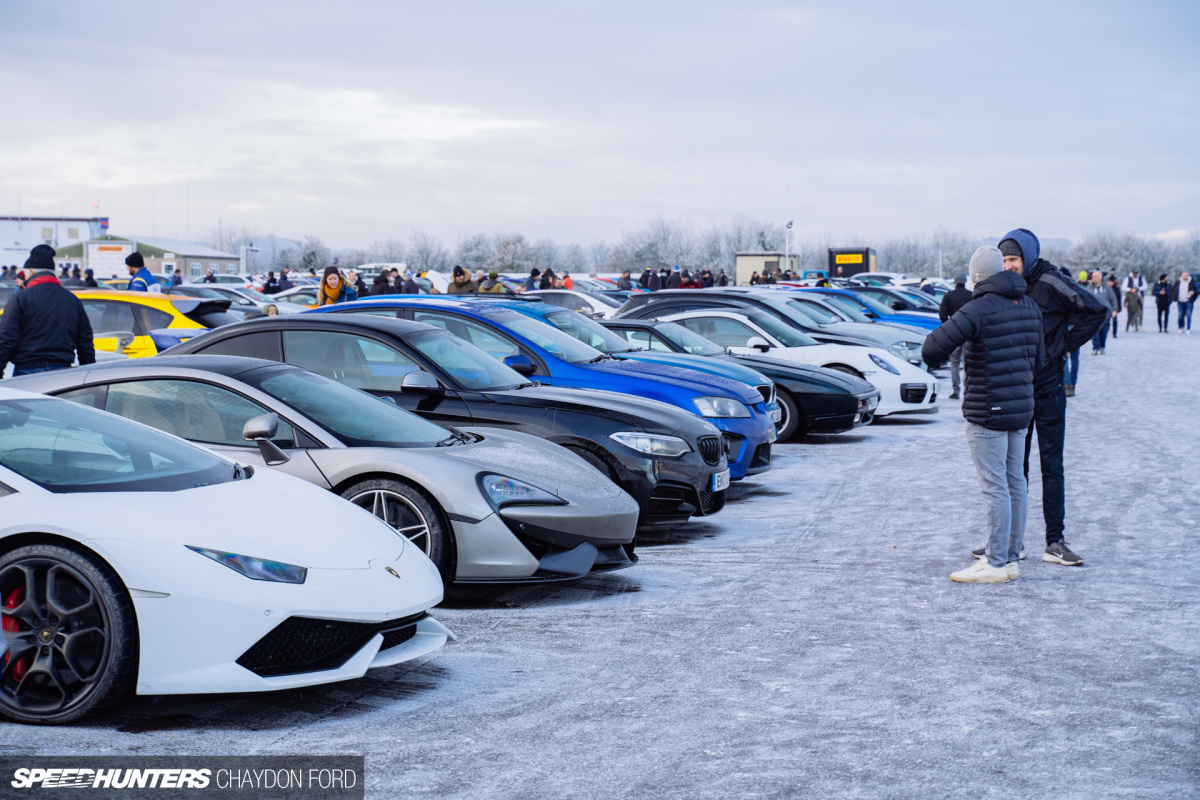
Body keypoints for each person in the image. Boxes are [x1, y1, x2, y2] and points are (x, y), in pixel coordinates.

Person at [923, 246, 1043, 583]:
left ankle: (993, 564)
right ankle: (1010, 558)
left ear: (976, 278)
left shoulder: (977, 309)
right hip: (1021, 409)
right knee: (1015, 482)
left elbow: (931, 350)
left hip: (987, 411)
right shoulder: (1030, 306)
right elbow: (1041, 359)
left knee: (995, 487)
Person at [989, 228, 1107, 567]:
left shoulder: (1051, 282)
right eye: (1004, 260)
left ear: (1028, 257)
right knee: (1015, 467)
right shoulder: (1005, 285)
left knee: (1051, 465)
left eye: (1013, 259)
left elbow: (1096, 310)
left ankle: (1054, 541)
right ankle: (1013, 543)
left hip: (1050, 386)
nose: (1008, 266)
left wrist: (1061, 346)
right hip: (1017, 389)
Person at [0, 245, 96, 378]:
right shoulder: (72, 300)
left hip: (27, 372)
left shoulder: (21, 298)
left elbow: (6, 339)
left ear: (32, 271)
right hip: (63, 372)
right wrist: (89, 375)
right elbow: (85, 341)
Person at [938, 270, 973, 400]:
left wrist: (949, 326)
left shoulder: (948, 296)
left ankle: (955, 391)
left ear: (954, 281)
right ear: (965, 281)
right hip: (969, 333)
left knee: (954, 363)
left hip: (954, 334)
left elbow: (942, 315)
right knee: (968, 363)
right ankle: (968, 390)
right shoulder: (972, 295)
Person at [1088, 270, 1118, 355]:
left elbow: (1113, 299)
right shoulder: (1089, 287)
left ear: (1101, 278)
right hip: (1093, 314)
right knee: (1094, 331)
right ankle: (1095, 348)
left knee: (1104, 331)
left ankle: (1102, 347)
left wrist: (1114, 310)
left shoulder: (1107, 287)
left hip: (1105, 314)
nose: (1093, 278)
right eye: (1093, 276)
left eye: (1095, 276)